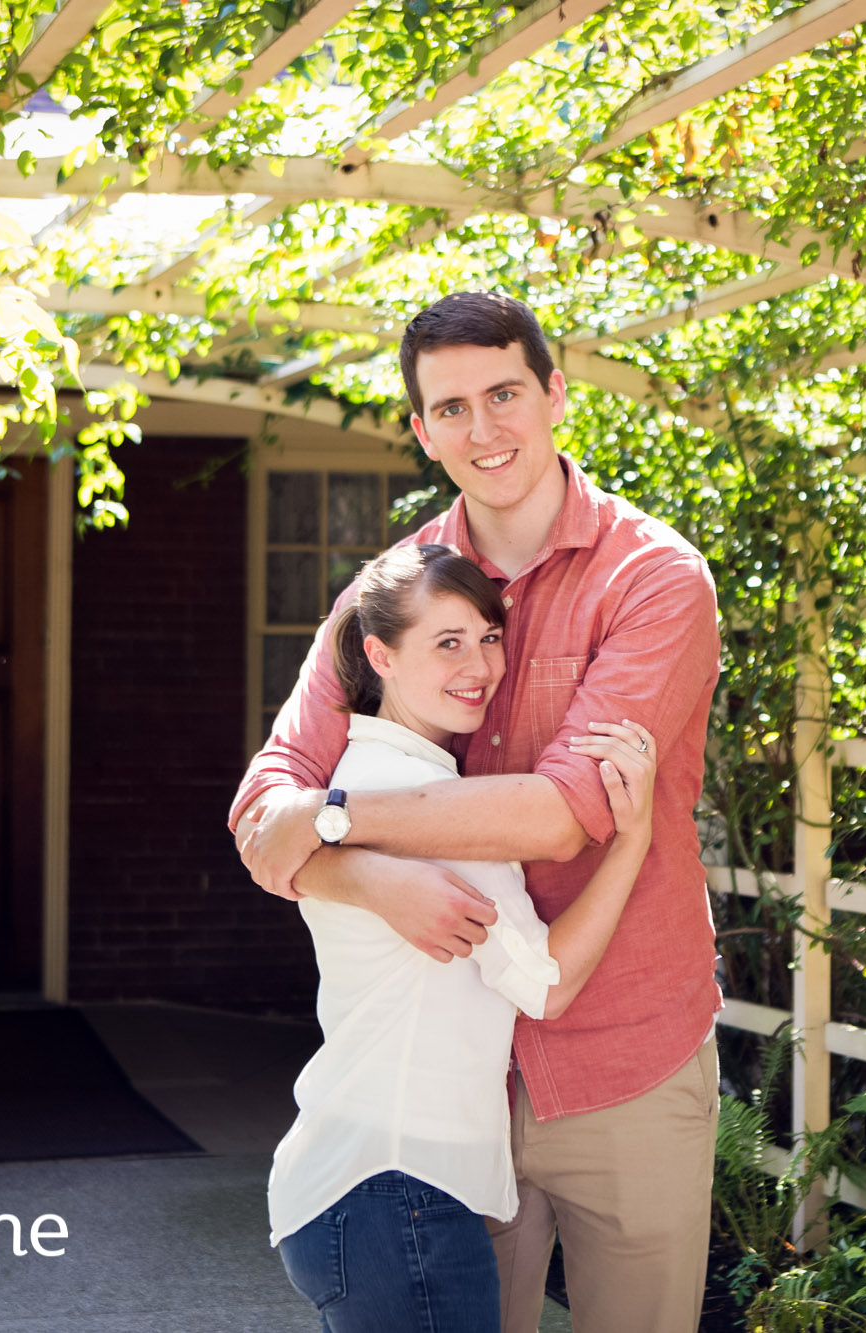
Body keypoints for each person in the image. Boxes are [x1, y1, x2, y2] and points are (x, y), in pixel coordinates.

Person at [230, 292, 725, 1333]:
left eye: (503, 393)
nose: (482, 428)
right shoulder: (390, 594)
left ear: (552, 394)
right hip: (450, 1102)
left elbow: (558, 815)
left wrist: (332, 821)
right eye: (449, 407)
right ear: (420, 429)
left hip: (623, 1056)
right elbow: (264, 807)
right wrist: (360, 870)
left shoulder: (652, 579)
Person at [269, 540, 657, 1333]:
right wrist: (633, 841)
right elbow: (547, 983)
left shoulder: (354, 777)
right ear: (380, 654)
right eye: (446, 643)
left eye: (487, 637)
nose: (479, 663)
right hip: (397, 1195)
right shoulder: (428, 809)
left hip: (356, 1188)